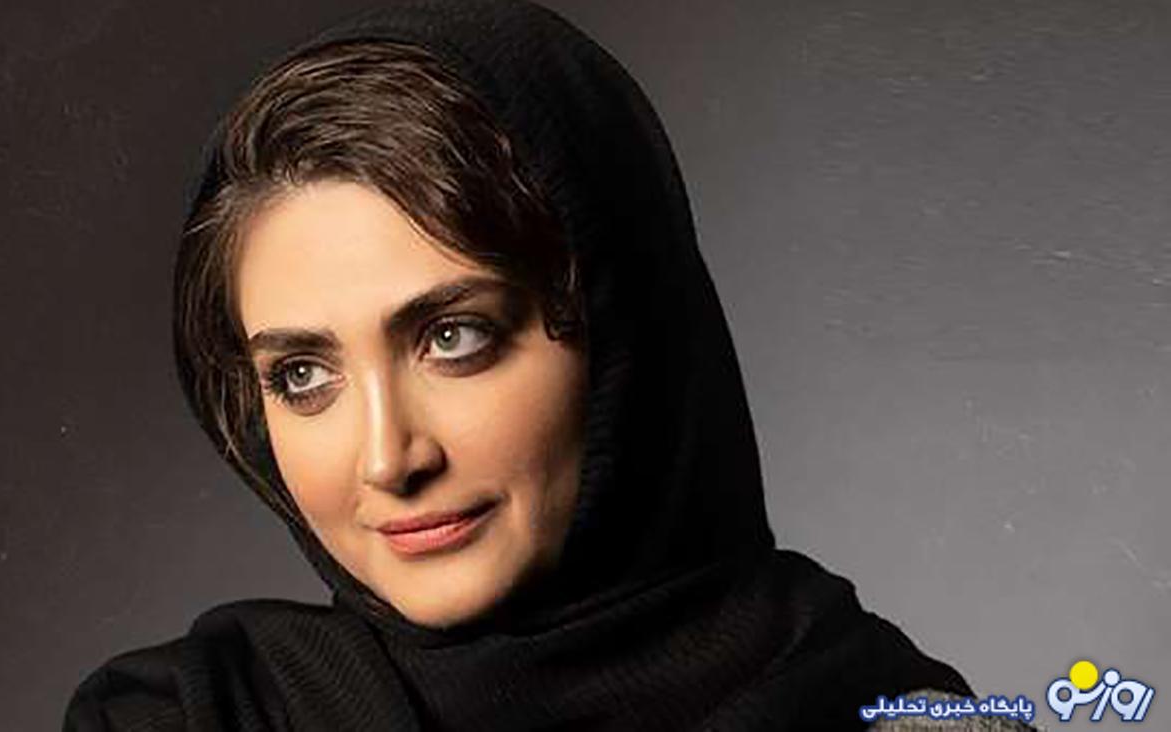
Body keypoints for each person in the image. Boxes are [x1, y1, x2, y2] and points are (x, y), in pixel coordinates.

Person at [65, 1, 1037, 729]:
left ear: (624, 335)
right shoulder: (189, 719)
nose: (387, 459)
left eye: (455, 337)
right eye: (302, 377)